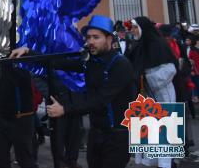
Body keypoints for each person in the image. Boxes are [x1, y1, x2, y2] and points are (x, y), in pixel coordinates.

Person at [10, 15, 136, 168]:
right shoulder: (91, 61)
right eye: (88, 37)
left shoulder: (120, 65)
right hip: (96, 133)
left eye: (96, 37)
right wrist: (29, 52)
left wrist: (65, 109)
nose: (91, 42)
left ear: (109, 39)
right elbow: (59, 62)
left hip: (117, 135)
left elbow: (100, 99)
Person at [127, 17, 177, 168]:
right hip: (144, 93)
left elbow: (170, 70)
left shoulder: (158, 44)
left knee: (163, 129)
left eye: (135, 28)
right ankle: (149, 162)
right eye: (132, 28)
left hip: (161, 93)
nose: (133, 31)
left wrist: (146, 78)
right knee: (147, 129)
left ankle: (165, 164)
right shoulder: (137, 46)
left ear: (143, 28)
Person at [0, 61, 38, 168]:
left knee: (25, 160)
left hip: (22, 117)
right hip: (2, 118)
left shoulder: (23, 61)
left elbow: (24, 80)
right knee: (1, 159)